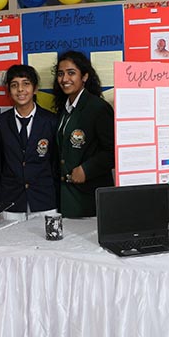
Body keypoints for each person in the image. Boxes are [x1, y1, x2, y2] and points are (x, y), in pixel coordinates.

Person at [53, 50, 115, 217]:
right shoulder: (64, 109)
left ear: (85, 77)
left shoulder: (98, 108)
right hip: (67, 197)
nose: (64, 79)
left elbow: (113, 152)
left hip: (89, 197)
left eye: (71, 73)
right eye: (60, 74)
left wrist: (86, 169)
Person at [0, 64, 59, 219]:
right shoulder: (1, 122)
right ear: (9, 90)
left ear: (35, 89)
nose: (20, 89)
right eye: (14, 85)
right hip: (11, 199)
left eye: (26, 84)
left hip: (44, 198)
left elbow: (55, 162)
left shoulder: (51, 120)